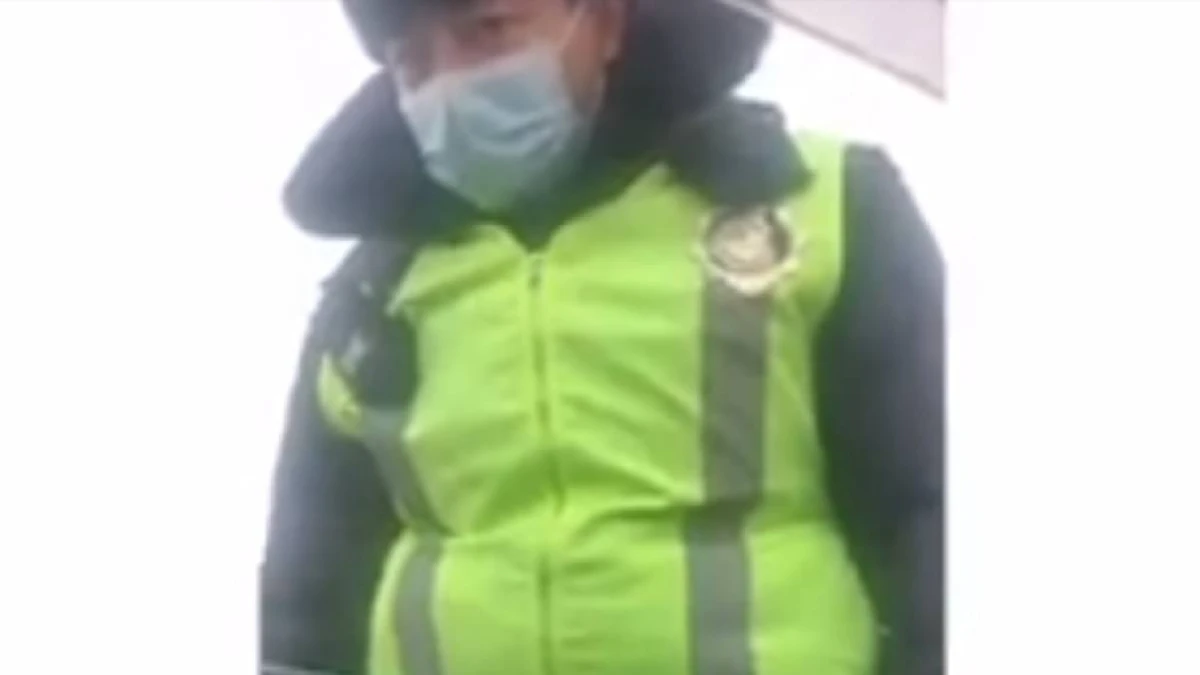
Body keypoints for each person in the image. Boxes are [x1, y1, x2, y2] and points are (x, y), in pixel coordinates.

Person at [260, 1, 944, 674]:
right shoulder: (375, 287)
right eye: (411, 63)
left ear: (606, 23)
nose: (449, 84)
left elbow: (934, 512)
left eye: (488, 29)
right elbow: (312, 585)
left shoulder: (818, 206)